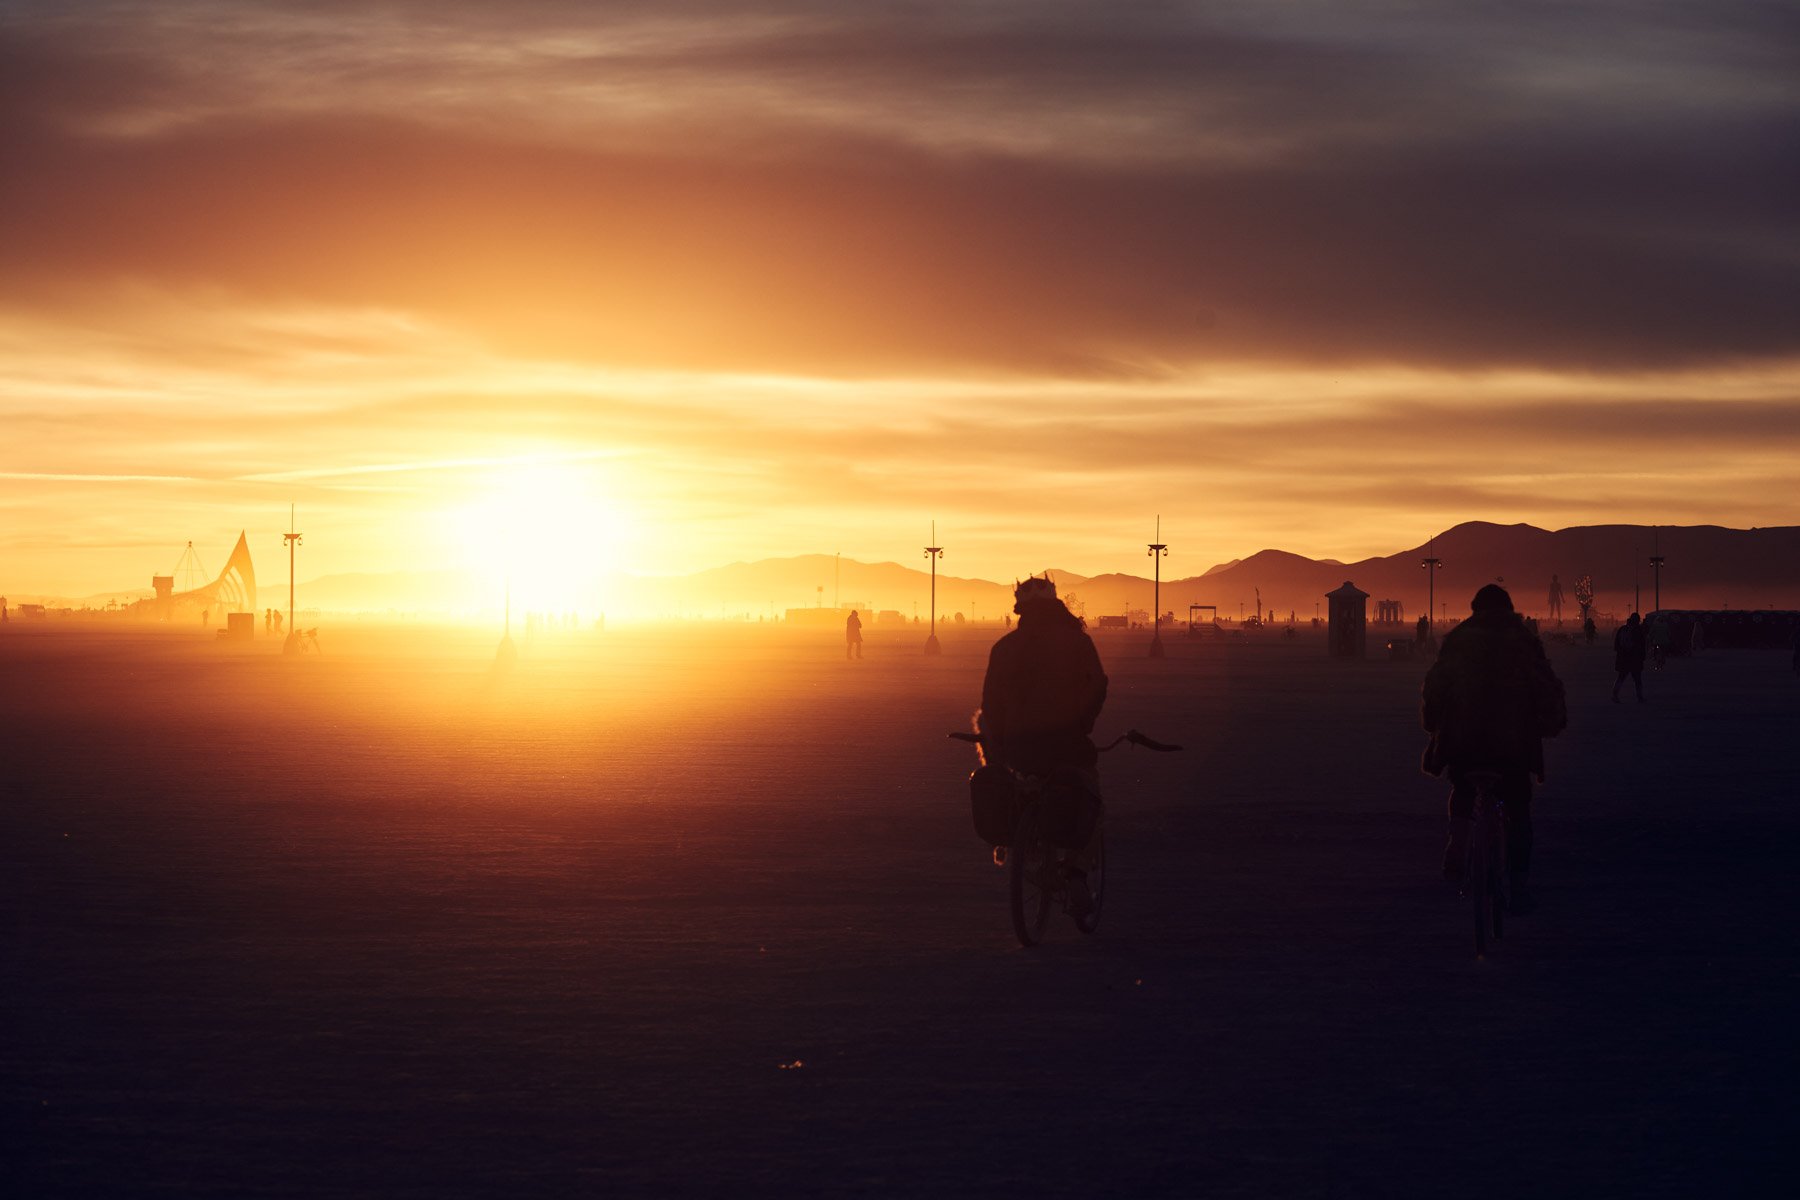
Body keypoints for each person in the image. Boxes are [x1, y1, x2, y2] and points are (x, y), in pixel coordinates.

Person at [1421, 584, 1566, 913]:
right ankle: (1518, 882)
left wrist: (1434, 724)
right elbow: (1545, 687)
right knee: (1518, 809)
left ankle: (1457, 843)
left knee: (1462, 787)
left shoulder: (1458, 639)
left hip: (1463, 739)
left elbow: (1435, 686)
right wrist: (1551, 723)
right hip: (1513, 743)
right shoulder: (1523, 641)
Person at [976, 576, 1109, 905]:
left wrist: (997, 749)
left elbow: (990, 707)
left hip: (1017, 750)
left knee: (1019, 788)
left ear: (1020, 611)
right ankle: (1077, 875)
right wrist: (1082, 723)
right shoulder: (1078, 643)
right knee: (1092, 802)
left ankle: (1025, 844)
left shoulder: (1003, 648)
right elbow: (1097, 687)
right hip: (1066, 745)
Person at [1612, 612, 1647, 703]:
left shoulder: (1622, 629)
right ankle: (1639, 697)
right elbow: (1642, 645)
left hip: (1623, 658)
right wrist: (1643, 657)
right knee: (1637, 679)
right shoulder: (1638, 630)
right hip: (1635, 659)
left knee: (1621, 677)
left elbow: (1616, 645)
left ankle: (1615, 695)